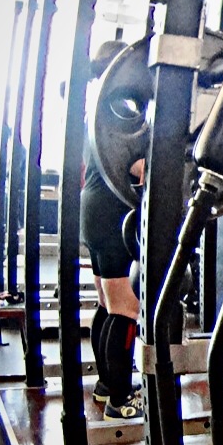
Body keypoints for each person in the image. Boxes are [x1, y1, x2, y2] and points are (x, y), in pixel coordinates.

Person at [83, 42, 144, 421]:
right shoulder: (123, 110)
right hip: (112, 212)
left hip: (94, 208)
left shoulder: (99, 107)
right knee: (127, 307)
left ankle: (108, 385)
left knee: (108, 303)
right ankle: (122, 400)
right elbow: (138, 166)